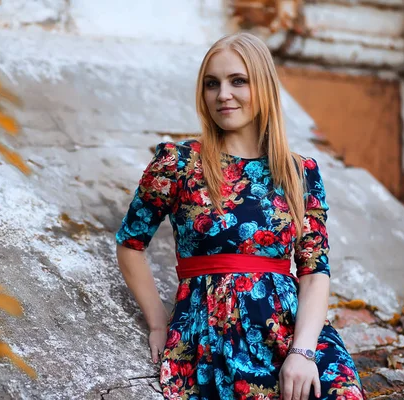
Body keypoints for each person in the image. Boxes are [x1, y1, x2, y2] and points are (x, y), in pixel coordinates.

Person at [115, 32, 365, 400]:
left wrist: (303, 351)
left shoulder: (300, 172)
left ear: (263, 86)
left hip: (293, 332)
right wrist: (157, 322)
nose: (223, 95)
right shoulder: (179, 163)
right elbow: (130, 243)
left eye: (238, 81)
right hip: (214, 332)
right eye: (211, 84)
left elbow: (314, 273)